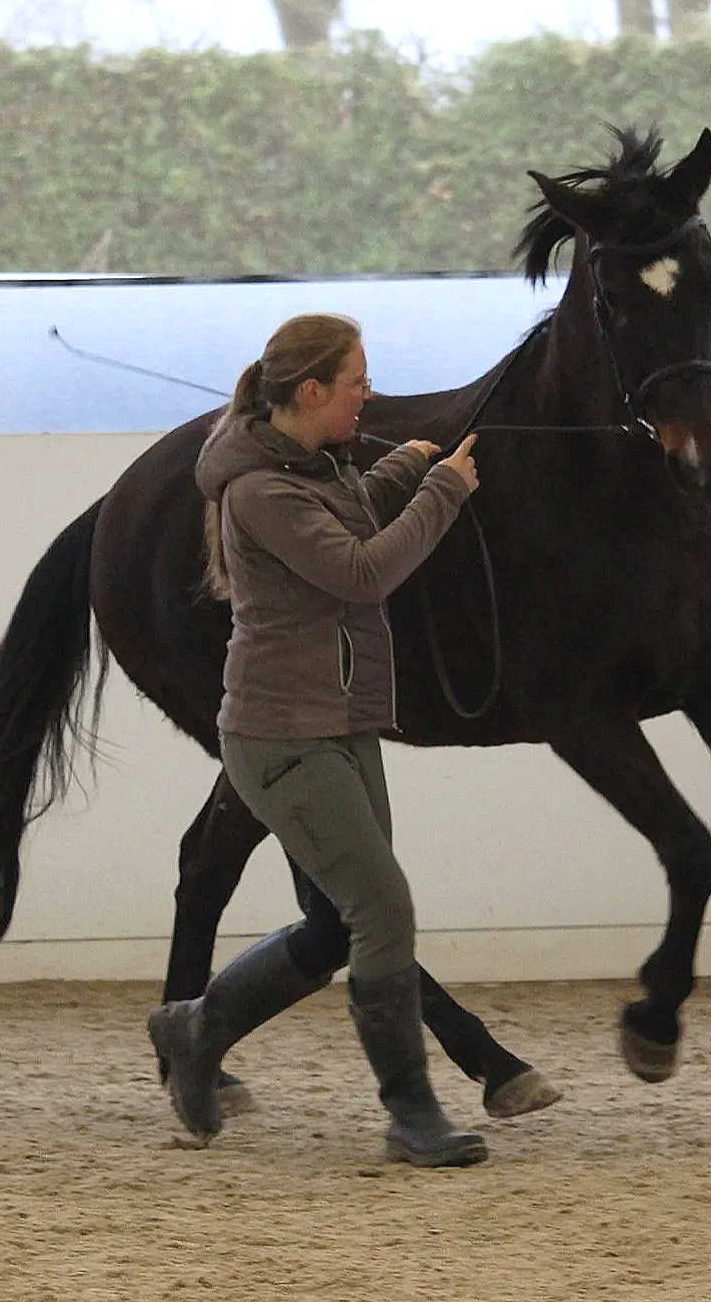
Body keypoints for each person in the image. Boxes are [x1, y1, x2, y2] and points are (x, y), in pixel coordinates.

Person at [150, 311, 487, 1167]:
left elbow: (348, 515)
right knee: (383, 911)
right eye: (356, 383)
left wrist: (406, 466)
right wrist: (445, 491)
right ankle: (411, 1114)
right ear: (310, 392)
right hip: (282, 738)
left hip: (338, 722)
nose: (367, 395)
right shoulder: (259, 491)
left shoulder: (307, 465)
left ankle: (199, 1029)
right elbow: (360, 570)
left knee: (341, 925)